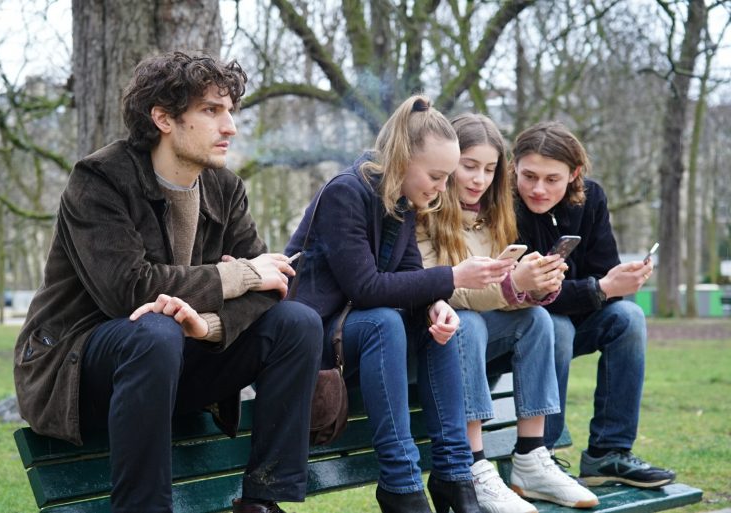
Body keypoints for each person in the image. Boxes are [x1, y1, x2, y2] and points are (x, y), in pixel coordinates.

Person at [13, 51, 323, 513]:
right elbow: (129, 290)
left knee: (297, 322)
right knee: (155, 331)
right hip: (79, 366)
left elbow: (272, 285)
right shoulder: (99, 180)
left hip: (177, 358)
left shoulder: (225, 187)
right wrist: (237, 274)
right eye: (211, 110)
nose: (230, 127)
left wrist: (209, 326)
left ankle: (262, 501)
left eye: (230, 111)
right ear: (163, 118)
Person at [285, 95, 513, 513]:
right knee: (384, 322)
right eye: (436, 176)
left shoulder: (402, 202)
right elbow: (366, 288)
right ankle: (401, 484)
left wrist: (435, 306)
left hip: (361, 337)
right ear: (404, 159)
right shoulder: (346, 192)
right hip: (313, 339)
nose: (442, 188)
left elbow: (410, 274)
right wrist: (454, 277)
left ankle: (455, 474)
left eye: (446, 177)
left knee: (443, 327)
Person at [417, 113, 599, 512]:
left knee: (536, 320)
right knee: (468, 323)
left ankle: (531, 457)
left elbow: (504, 288)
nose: (479, 179)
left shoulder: (495, 213)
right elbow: (441, 287)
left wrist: (536, 287)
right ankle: (473, 466)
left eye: (489, 169)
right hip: (432, 337)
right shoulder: (423, 209)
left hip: (476, 335)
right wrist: (513, 284)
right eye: (469, 166)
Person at [512, 121, 676, 488]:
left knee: (628, 316)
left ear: (574, 174)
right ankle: (540, 456)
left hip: (572, 322)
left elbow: (605, 278)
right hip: (520, 331)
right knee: (553, 324)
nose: (538, 189)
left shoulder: (591, 198)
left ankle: (608, 452)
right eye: (529, 176)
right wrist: (599, 288)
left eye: (552, 179)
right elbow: (529, 296)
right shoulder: (503, 206)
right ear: (514, 167)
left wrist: (618, 283)